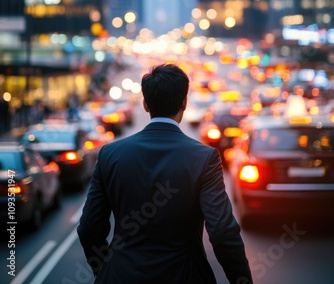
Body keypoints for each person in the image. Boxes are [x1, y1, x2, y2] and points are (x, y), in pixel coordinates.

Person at [77, 63, 253, 284]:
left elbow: (88, 229)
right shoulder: (204, 158)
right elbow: (222, 233)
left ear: (145, 104)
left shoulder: (110, 155)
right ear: (184, 103)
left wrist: (104, 270)